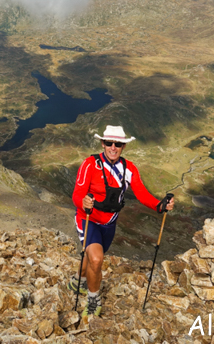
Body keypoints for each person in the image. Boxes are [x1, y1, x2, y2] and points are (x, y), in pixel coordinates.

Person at [69, 125, 174, 318]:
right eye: (109, 143)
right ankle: (93, 300)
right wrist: (83, 202)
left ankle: (77, 280)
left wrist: (160, 206)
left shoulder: (129, 169)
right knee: (96, 259)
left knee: (91, 257)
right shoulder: (90, 164)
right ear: (102, 143)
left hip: (109, 224)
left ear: (123, 146)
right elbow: (77, 194)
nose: (113, 147)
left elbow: (141, 193)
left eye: (118, 144)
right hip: (88, 218)